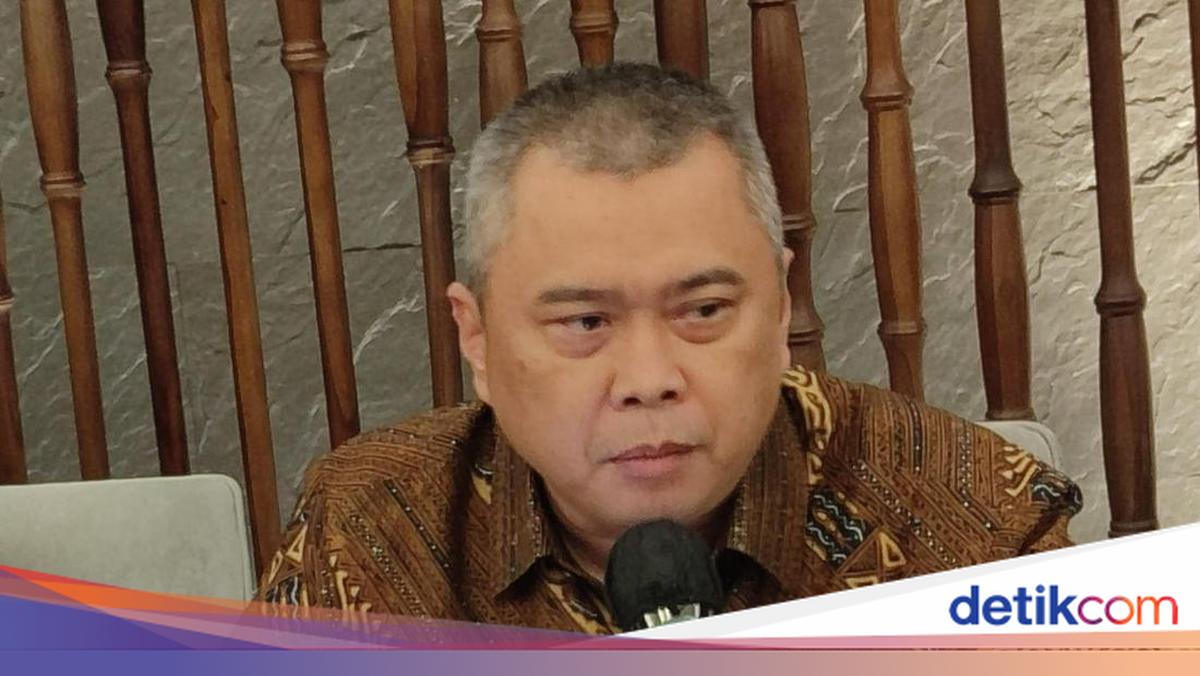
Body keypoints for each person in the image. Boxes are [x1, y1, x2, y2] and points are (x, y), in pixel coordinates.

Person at [255, 63, 1081, 633]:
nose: (649, 380)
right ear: (477, 337)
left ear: (781, 307)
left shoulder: (976, 531)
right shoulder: (366, 532)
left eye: (704, 311)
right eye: (585, 323)